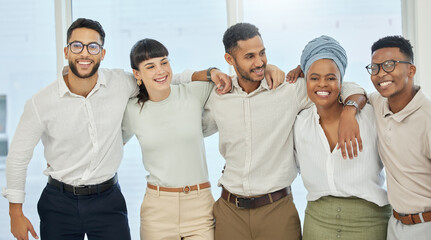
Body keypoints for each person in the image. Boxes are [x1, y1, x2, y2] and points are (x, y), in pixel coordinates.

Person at [1, 18, 238, 240]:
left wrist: (207, 73)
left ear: (102, 53)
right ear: (66, 51)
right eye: (77, 46)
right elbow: (18, 157)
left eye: (93, 47)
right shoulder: (41, 102)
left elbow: (161, 79)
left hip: (107, 200)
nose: (85, 52)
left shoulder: (120, 83)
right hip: (58, 202)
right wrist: (15, 212)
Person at [196, 23, 367, 240]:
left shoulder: (288, 90)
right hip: (230, 211)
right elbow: (192, 125)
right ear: (230, 60)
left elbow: (344, 87)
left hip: (276, 210)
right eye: (249, 56)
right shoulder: (219, 96)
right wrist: (209, 73)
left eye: (262, 53)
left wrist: (350, 111)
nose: (259, 62)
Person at [294, 35, 391, 240]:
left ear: (341, 80)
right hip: (317, 222)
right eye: (314, 78)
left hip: (369, 222)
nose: (323, 84)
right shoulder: (300, 123)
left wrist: (350, 110)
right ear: (306, 80)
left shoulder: (370, 117)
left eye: (331, 78)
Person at [121, 38, 216, 239]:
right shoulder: (131, 110)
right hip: (157, 211)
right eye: (150, 66)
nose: (161, 70)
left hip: (199, 207)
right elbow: (108, 143)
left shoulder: (193, 93)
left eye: (164, 62)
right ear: (137, 74)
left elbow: (229, 83)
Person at [365, 35, 431, 240]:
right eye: (375, 68)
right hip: (395, 225)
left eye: (389, 65)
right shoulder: (378, 103)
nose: (381, 74)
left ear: (411, 70)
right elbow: (349, 90)